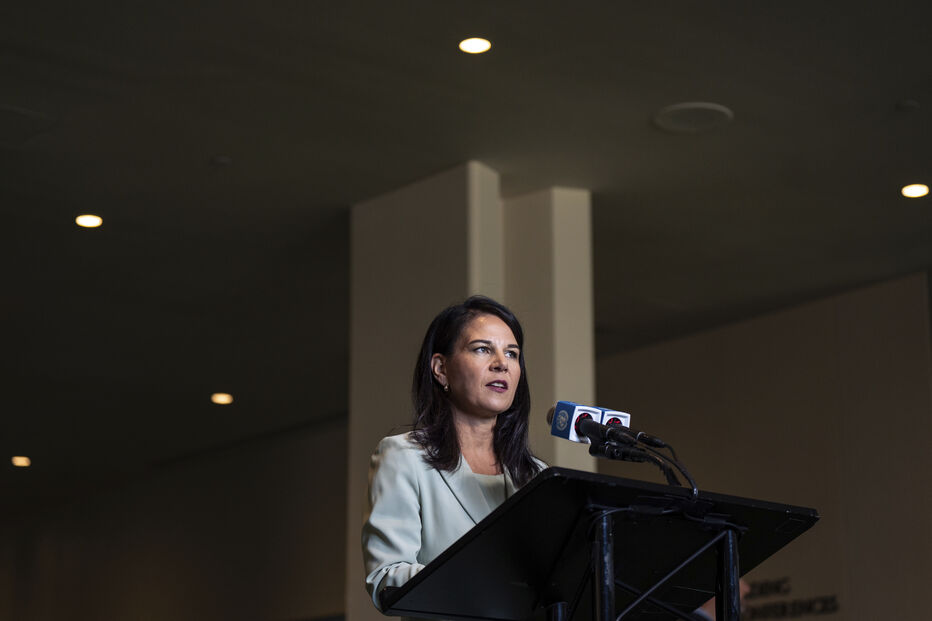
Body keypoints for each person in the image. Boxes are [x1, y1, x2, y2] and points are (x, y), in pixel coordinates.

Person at [362, 296, 545, 612]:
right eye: (482, 349)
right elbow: (386, 580)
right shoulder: (404, 456)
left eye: (512, 354)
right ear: (441, 369)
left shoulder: (538, 477)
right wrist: (484, 581)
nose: (502, 362)